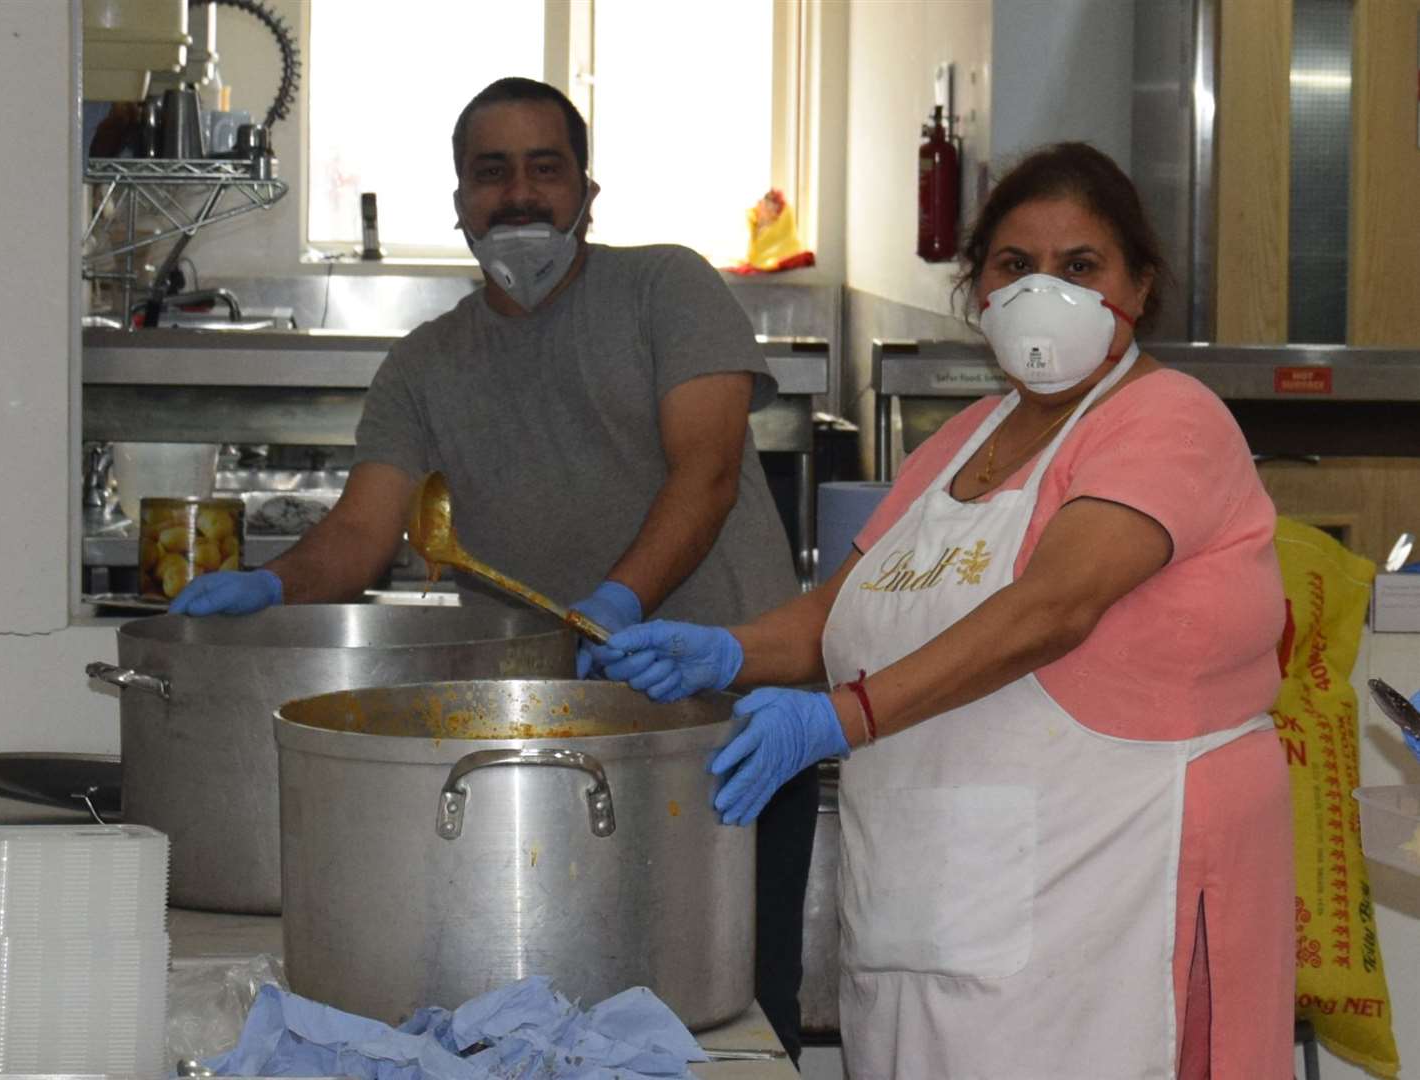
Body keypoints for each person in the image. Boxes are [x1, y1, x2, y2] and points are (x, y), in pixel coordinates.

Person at [591, 142, 1295, 1078]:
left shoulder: (1168, 420)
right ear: (976, 290)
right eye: (1014, 265)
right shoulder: (968, 437)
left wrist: (841, 716)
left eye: (1079, 266)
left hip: (1106, 895)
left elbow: (1053, 605)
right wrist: (724, 651)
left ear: (1140, 283)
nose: (1044, 291)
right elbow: (841, 611)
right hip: (932, 910)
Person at [166, 77, 817, 1061]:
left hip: (728, 724)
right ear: (461, 201)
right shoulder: (424, 367)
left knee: (728, 1020)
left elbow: (709, 473)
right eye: (492, 172)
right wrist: (272, 585)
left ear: (587, 192)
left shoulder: (666, 288)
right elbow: (360, 535)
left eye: (544, 168)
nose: (519, 195)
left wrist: (610, 606)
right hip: (559, 747)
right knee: (545, 1023)